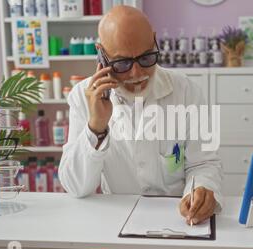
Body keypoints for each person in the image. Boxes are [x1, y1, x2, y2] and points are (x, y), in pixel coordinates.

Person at [59, 5, 223, 225]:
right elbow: (76, 186)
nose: (136, 74)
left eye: (146, 58)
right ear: (101, 54)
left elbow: (203, 164)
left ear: (154, 41)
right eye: (122, 63)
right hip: (117, 224)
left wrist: (201, 190)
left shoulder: (188, 91)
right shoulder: (82, 96)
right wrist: (96, 127)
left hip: (178, 221)